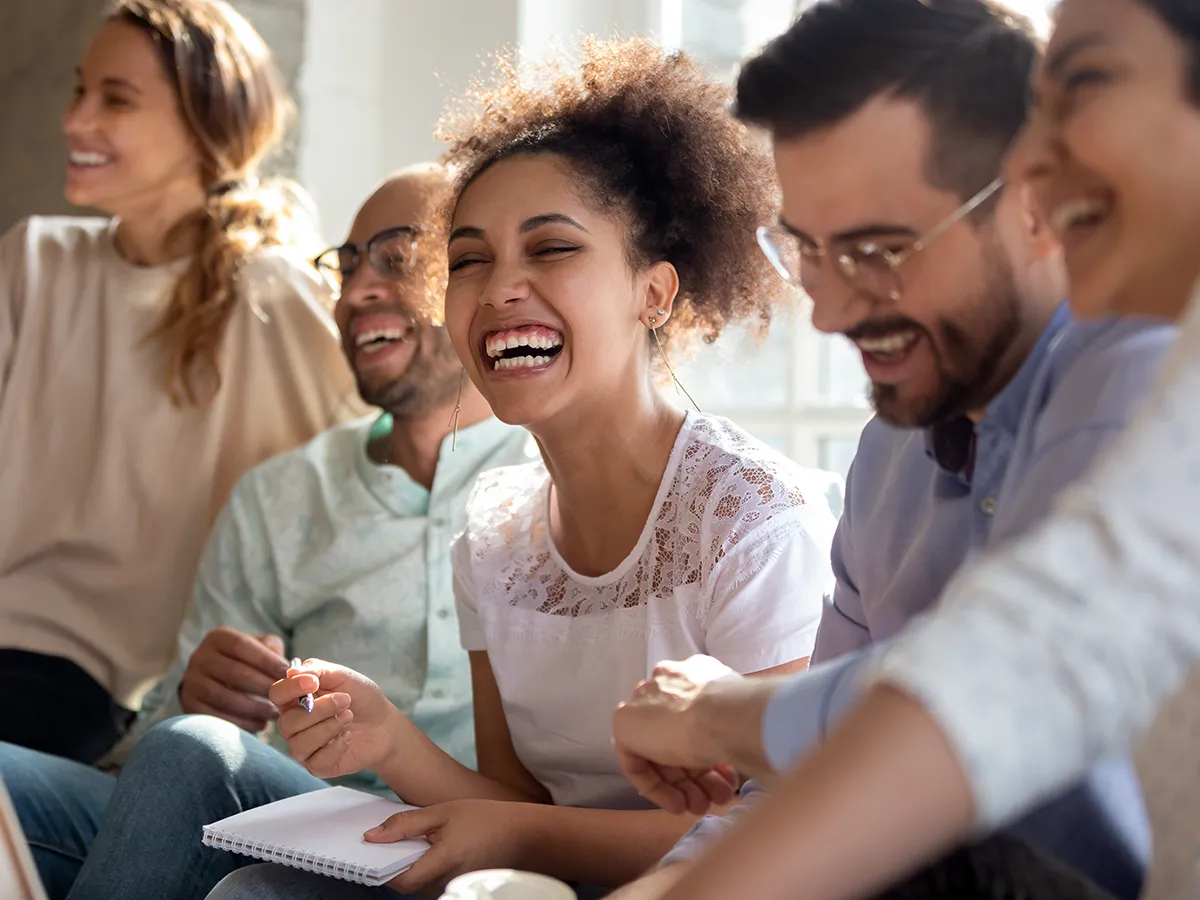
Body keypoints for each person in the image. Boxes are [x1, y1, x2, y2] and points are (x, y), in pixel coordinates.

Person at [206, 37, 837, 900]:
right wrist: (389, 741)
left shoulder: (755, 518)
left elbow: (777, 829)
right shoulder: (497, 536)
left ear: (653, 292)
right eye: (469, 260)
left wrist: (511, 831)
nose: (500, 287)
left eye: (551, 249)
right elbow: (521, 805)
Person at [606, 0, 1200, 899]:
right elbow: (809, 780)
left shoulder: (1143, 365)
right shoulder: (889, 457)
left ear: (1025, 212)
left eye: (880, 250)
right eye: (806, 250)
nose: (831, 311)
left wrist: (719, 717)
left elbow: (1013, 671)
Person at [0, 165, 535, 900]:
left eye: (395, 258)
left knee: (195, 755)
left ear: (475, 274)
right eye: (345, 268)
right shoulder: (282, 494)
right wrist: (199, 696)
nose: (353, 295)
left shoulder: (553, 479)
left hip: (453, 843)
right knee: (170, 747)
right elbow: (167, 745)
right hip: (274, 808)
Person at [0, 0, 359, 766]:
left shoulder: (268, 293)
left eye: (116, 100)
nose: (75, 121)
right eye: (78, 92)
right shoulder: (32, 260)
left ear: (208, 121)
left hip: (91, 689)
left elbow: (345, 496)